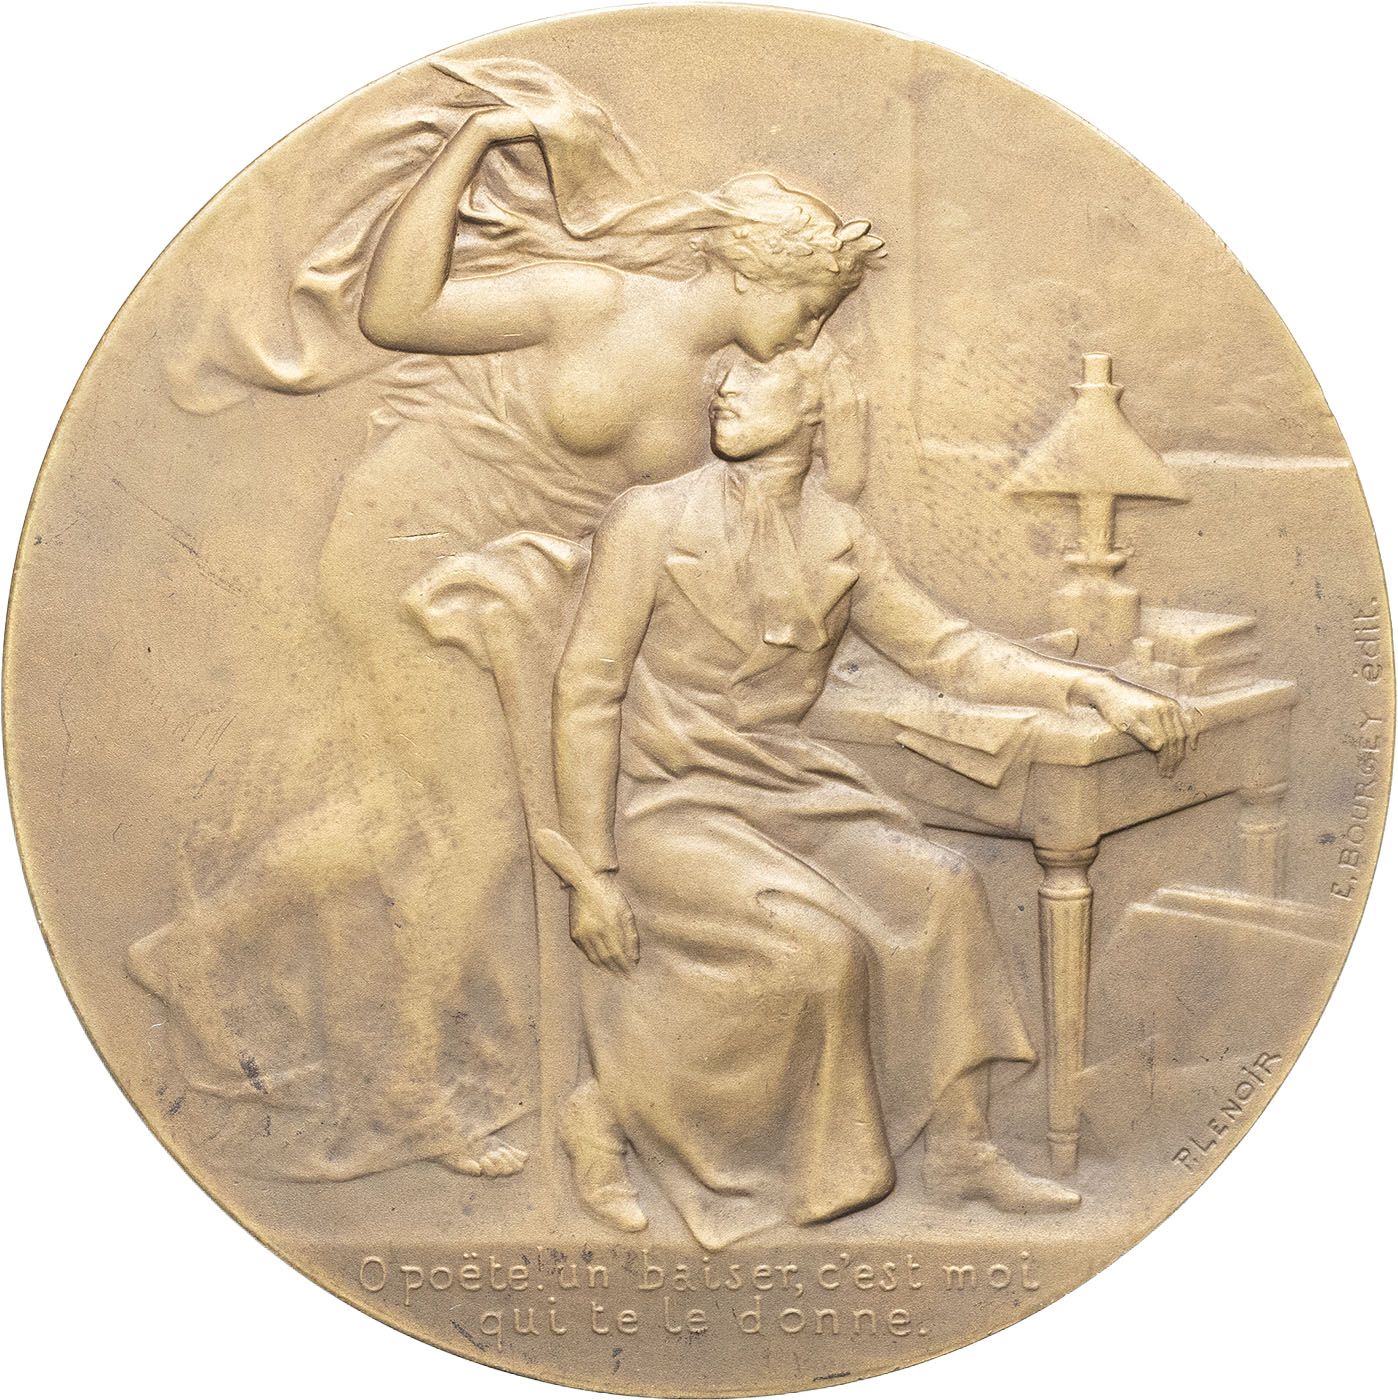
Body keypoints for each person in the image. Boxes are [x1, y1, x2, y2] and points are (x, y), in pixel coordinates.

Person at [128, 59, 886, 1184]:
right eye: (810, 303)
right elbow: (399, 313)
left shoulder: (729, 394)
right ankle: (406, 1088)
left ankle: (190, 950)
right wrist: (473, 144)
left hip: (518, 583)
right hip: (411, 539)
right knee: (476, 826)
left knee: (408, 807)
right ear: (752, 272)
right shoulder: (594, 300)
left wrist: (841, 430)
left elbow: (801, 505)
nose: (815, 326)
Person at [547, 346, 1192, 1248]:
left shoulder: (840, 535)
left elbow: (948, 653)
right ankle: (608, 1109)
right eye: (724, 372)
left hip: (789, 792)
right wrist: (594, 873)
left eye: (756, 373)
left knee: (943, 887)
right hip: (670, 806)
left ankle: (961, 1152)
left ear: (817, 405)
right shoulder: (650, 519)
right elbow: (588, 689)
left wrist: (1092, 688)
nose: (725, 385)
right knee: (821, 952)